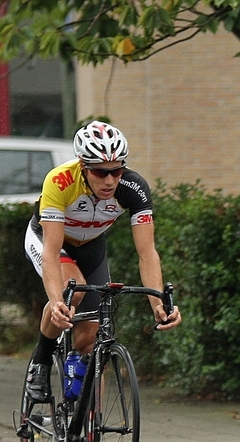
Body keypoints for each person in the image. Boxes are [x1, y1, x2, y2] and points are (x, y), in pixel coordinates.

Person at [24, 120, 182, 405]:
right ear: (83, 166)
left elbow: (147, 253)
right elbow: (51, 251)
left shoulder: (134, 187)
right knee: (74, 288)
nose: (109, 181)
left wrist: (159, 304)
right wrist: (56, 299)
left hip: (92, 247)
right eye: (100, 172)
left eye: (116, 171)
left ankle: (84, 422)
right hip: (49, 240)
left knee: (90, 336)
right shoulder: (60, 181)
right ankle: (41, 362)